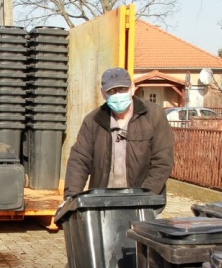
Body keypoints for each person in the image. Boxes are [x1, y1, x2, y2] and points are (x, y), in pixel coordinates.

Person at [63, 67, 174, 200]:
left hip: (144, 201)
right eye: (112, 91)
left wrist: (145, 197)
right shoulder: (93, 121)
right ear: (103, 94)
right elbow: (79, 160)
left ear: (132, 88)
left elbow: (162, 160)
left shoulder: (154, 116)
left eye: (123, 89)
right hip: (103, 202)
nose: (118, 95)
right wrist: (71, 198)